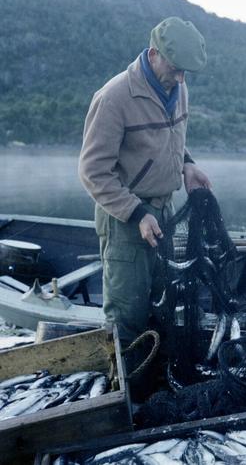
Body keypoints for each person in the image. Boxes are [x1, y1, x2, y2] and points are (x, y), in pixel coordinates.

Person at [79, 17, 211, 348]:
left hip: (164, 215)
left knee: (163, 310)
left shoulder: (179, 88)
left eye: (186, 73)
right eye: (177, 68)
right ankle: (128, 396)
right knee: (128, 318)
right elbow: (93, 171)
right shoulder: (114, 97)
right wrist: (137, 213)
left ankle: (157, 392)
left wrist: (187, 165)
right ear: (154, 54)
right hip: (125, 223)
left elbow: (170, 139)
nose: (181, 78)